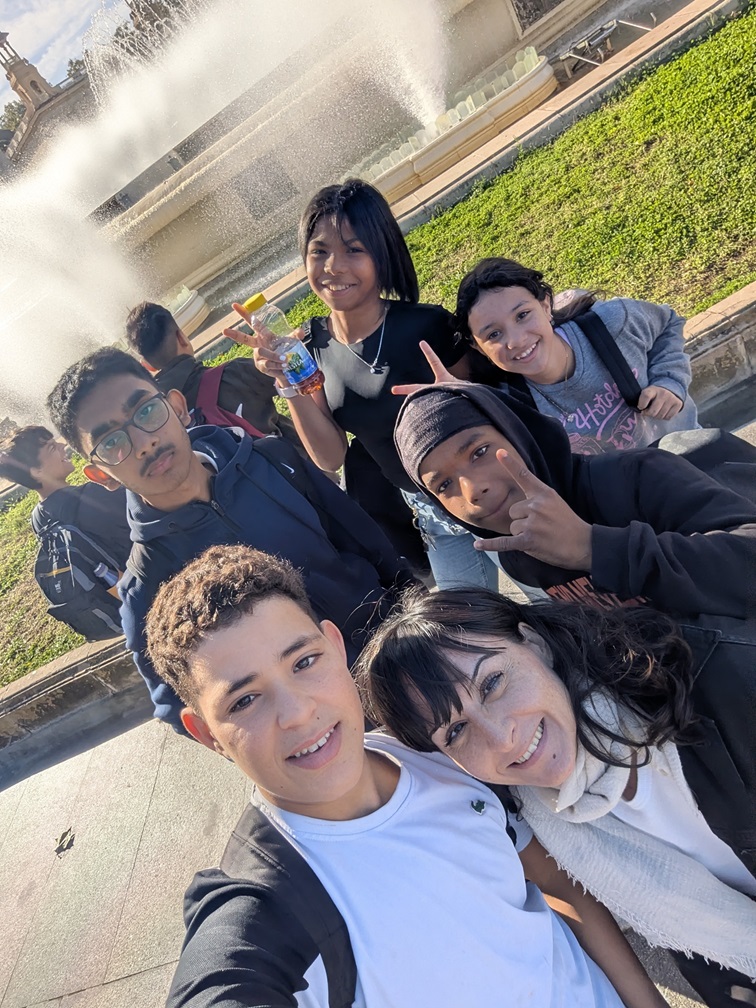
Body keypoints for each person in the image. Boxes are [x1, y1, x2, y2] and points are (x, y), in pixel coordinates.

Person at [145, 542, 667, 1008]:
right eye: (245, 700)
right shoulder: (274, 904)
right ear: (207, 734)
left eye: (303, 662)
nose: (298, 713)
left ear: (335, 646)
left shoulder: (438, 748)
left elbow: (555, 881)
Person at [360, 587, 756, 1006]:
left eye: (492, 683)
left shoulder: (726, 684)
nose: (501, 738)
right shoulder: (541, 818)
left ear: (533, 642)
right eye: (456, 731)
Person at [46, 348, 412, 733]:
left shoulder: (273, 461)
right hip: (326, 731)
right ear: (100, 474)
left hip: (401, 659)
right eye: (111, 442)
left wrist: (420, 622)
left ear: (178, 407)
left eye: (146, 411)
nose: (143, 442)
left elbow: (370, 544)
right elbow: (176, 704)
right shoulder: (146, 588)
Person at [224, 178, 498, 589]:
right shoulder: (310, 348)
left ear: (381, 254)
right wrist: (286, 381)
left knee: (560, 602)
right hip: (433, 516)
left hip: (493, 490)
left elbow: (495, 408)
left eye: (354, 250)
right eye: (319, 251)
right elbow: (329, 455)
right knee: (469, 622)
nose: (333, 267)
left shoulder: (427, 326)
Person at [392, 361, 756, 620]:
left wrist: (592, 549)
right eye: (443, 485)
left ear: (518, 433)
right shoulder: (519, 554)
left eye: (480, 452)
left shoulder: (636, 476)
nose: (473, 490)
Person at [455, 258, 699, 454]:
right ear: (479, 348)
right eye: (494, 334)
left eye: (522, 315)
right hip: (637, 495)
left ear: (546, 306)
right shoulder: (511, 407)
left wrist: (670, 381)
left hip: (693, 454)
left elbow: (668, 323)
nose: (516, 341)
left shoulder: (613, 322)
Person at [0, 425, 132, 637]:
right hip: (147, 586)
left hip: (115, 603)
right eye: (52, 448)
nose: (62, 446)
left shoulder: (38, 518)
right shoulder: (94, 497)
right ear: (36, 471)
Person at [125, 301, 303, 451]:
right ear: (182, 337)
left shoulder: (157, 425)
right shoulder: (236, 373)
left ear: (146, 366)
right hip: (296, 473)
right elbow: (301, 378)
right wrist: (283, 352)